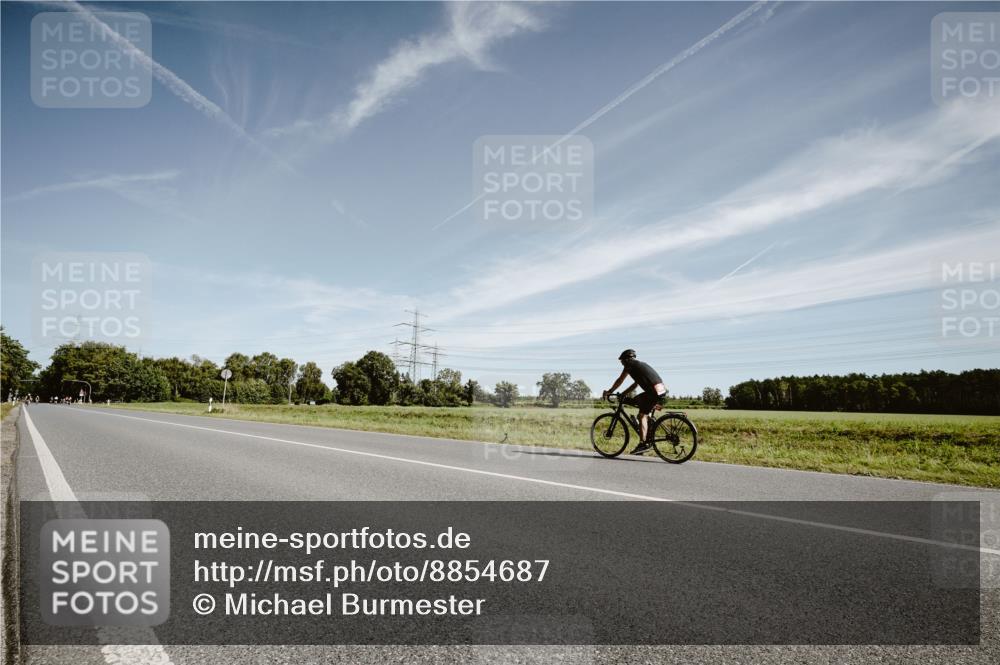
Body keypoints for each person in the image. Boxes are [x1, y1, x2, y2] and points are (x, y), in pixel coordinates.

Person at [602, 349, 667, 455]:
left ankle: (643, 444)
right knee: (639, 404)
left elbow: (620, 380)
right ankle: (648, 436)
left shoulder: (630, 365)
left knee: (641, 415)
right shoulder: (639, 366)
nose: (621, 363)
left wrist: (610, 391)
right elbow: (635, 385)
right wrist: (623, 394)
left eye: (622, 361)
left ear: (627, 359)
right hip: (660, 390)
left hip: (653, 392)